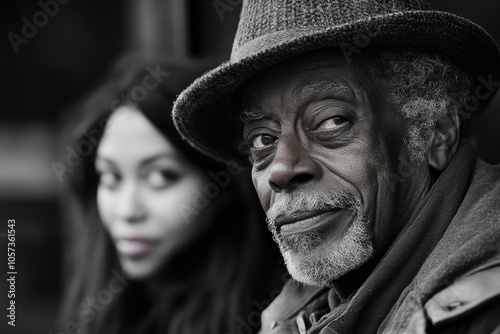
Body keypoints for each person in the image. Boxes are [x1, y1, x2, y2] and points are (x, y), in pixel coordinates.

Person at [172, 1, 500, 333]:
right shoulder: (296, 314)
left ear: (436, 132)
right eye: (262, 139)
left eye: (331, 121)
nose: (282, 170)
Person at [59, 57, 284, 334]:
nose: (127, 210)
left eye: (160, 177)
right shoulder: (101, 305)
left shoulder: (282, 315)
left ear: (223, 185)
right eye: (111, 177)